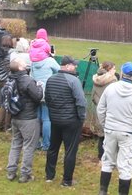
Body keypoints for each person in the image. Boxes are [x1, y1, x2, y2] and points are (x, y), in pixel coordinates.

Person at [96, 61, 132, 195]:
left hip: (111, 130)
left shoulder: (111, 89)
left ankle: (103, 191)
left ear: (122, 72)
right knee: (125, 166)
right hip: (128, 133)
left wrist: (105, 125)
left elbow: (100, 109)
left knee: (107, 161)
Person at [43, 55, 87, 187]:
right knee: (70, 150)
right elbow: (81, 102)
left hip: (55, 120)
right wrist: (81, 117)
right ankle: (67, 181)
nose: (76, 67)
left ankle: (49, 176)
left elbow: (47, 99)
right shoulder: (73, 81)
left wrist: (54, 113)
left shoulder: (50, 79)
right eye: (74, 65)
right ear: (67, 66)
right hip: (71, 122)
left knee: (53, 148)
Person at [5, 54, 43, 183]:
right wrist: (39, 87)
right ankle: (25, 174)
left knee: (15, 144)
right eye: (23, 63)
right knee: (28, 146)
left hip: (15, 116)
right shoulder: (27, 80)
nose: (26, 64)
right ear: (20, 68)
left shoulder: (10, 79)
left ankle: (11, 172)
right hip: (28, 118)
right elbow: (37, 96)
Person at [30, 36, 60, 150]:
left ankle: (35, 143)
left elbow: (31, 76)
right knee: (47, 119)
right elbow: (59, 70)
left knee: (37, 118)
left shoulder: (33, 62)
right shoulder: (49, 61)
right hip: (48, 92)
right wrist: (53, 57)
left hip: (35, 92)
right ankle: (46, 144)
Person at [91, 60, 120, 162]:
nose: (115, 70)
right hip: (110, 111)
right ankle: (110, 158)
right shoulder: (113, 81)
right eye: (113, 68)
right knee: (111, 137)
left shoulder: (95, 79)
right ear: (109, 70)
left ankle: (100, 157)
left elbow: (93, 95)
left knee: (101, 135)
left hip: (99, 109)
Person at [0, 34, 16, 131]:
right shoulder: (12, 53)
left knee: (3, 103)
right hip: (9, 81)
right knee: (9, 103)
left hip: (1, 80)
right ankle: (7, 126)